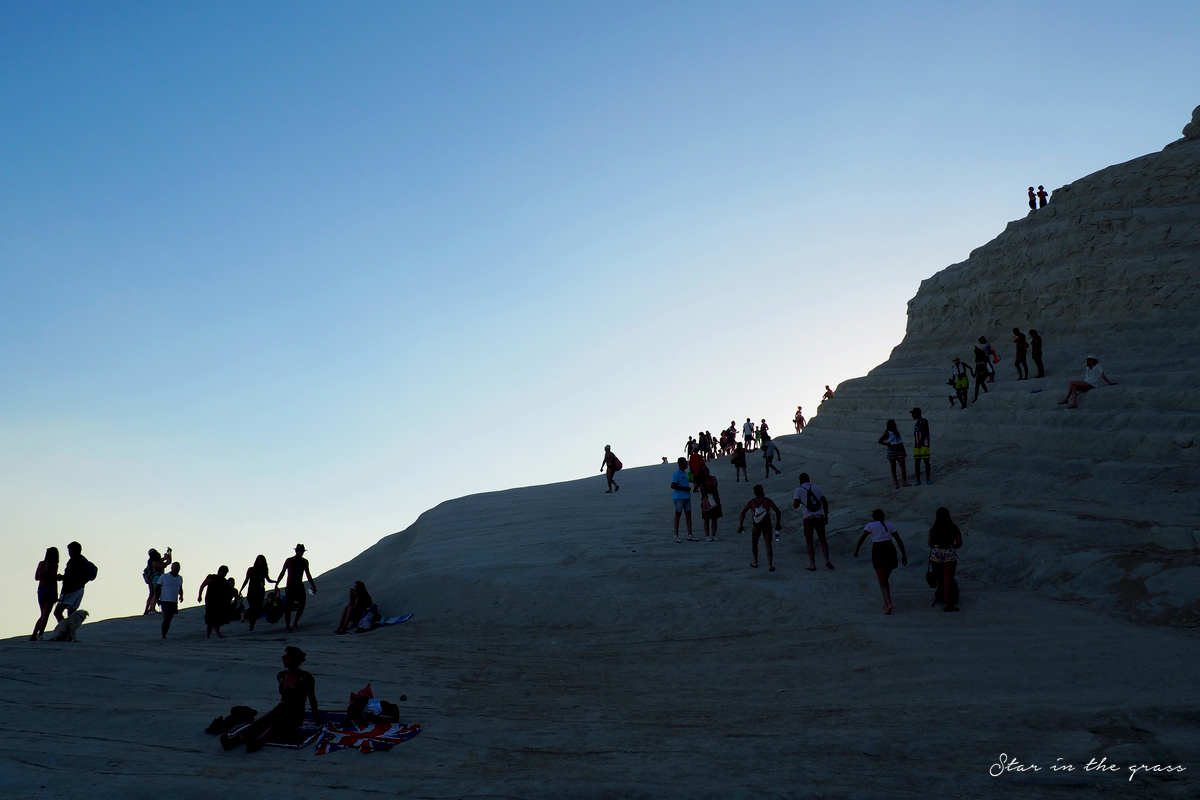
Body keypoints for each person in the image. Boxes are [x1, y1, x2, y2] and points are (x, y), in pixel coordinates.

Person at [221, 646, 319, 753]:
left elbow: (312, 698)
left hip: (295, 713)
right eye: (283, 657)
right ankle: (231, 741)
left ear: (296, 660)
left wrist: (316, 719)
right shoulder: (281, 675)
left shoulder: (305, 677)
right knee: (258, 724)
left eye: (287, 657)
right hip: (280, 709)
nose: (284, 660)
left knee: (275, 725)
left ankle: (256, 742)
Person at [853, 509, 908, 615]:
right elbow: (899, 540)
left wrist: (856, 550)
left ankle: (888, 603)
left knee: (882, 581)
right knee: (885, 579)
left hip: (879, 550)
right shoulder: (889, 525)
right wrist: (904, 555)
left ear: (873, 517)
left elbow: (862, 538)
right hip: (890, 549)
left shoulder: (871, 525)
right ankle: (886, 602)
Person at [792, 473, 833, 571]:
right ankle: (827, 559)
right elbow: (825, 502)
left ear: (800, 480)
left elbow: (796, 505)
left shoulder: (799, 490)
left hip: (808, 517)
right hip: (819, 516)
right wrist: (826, 516)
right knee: (823, 540)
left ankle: (812, 564)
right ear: (809, 479)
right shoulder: (817, 488)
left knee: (809, 541)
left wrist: (802, 503)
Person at [737, 484, 782, 571]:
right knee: (768, 545)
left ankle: (755, 562)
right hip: (766, 524)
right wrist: (778, 524)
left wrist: (741, 524)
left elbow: (743, 512)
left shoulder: (751, 502)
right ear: (762, 491)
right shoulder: (767, 500)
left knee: (754, 543)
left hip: (756, 525)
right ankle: (770, 565)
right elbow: (777, 511)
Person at [928, 507, 963, 612]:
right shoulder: (954, 528)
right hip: (949, 552)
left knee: (939, 577)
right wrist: (953, 547)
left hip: (936, 552)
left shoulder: (934, 528)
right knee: (948, 580)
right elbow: (960, 543)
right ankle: (947, 604)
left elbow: (930, 543)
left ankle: (940, 595)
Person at [275, 545, 317, 633]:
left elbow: (308, 574)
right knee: (289, 606)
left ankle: (295, 623)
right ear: (296, 551)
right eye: (299, 551)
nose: (300, 553)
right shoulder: (289, 560)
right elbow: (282, 572)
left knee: (302, 604)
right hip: (290, 585)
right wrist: (277, 583)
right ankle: (287, 626)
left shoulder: (304, 562)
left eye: (301, 551)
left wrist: (313, 585)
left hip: (299, 585)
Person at [54, 542, 93, 622]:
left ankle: (66, 630)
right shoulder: (83, 560)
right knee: (71, 612)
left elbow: (71, 574)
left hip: (70, 589)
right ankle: (70, 631)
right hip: (80, 588)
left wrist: (61, 577)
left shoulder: (74, 560)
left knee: (58, 612)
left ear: (72, 550)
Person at [31, 547, 61, 641]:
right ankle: (40, 634)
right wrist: (56, 593)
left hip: (40, 589)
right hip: (49, 589)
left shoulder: (41, 564)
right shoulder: (54, 565)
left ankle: (34, 634)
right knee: (46, 614)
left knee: (43, 613)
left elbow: (36, 577)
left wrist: (44, 575)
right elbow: (53, 580)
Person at [198, 565, 231, 639]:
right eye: (223, 572)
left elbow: (226, 593)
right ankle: (217, 634)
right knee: (212, 618)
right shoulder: (211, 577)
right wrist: (199, 595)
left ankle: (208, 635)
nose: (224, 574)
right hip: (210, 600)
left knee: (216, 619)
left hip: (219, 602)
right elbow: (202, 585)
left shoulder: (224, 581)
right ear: (220, 571)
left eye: (225, 573)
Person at [239, 555, 270, 632]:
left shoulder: (263, 570)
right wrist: (241, 589)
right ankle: (251, 627)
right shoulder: (251, 570)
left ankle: (251, 625)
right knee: (253, 609)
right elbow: (246, 580)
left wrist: (276, 582)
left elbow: (268, 579)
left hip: (260, 591)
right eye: (260, 561)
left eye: (262, 562)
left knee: (256, 610)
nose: (261, 563)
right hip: (251, 592)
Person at [878, 419, 910, 488]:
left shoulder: (896, 432)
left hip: (899, 449)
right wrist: (888, 444)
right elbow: (880, 440)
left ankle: (904, 482)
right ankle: (896, 483)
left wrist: (903, 451)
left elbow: (900, 441)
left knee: (902, 466)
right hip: (892, 450)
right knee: (893, 467)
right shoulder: (887, 433)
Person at [670, 457, 694, 543]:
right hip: (679, 497)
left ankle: (690, 534)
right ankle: (676, 535)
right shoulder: (677, 473)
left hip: (686, 497)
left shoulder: (684, 473)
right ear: (683, 464)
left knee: (688, 515)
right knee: (678, 515)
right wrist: (684, 488)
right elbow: (673, 485)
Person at [158, 561, 184, 639]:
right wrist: (157, 598)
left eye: (178, 569)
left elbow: (180, 587)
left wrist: (181, 595)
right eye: (175, 569)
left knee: (169, 618)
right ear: (172, 568)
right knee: (166, 617)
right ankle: (163, 635)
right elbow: (157, 587)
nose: (176, 570)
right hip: (165, 599)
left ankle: (165, 633)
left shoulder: (180, 578)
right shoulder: (164, 576)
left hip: (173, 600)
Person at [142, 548, 172, 615]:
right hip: (156, 579)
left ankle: (148, 609)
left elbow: (167, 562)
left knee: (152, 594)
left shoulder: (153, 562)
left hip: (152, 580)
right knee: (156, 593)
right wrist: (168, 558)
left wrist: (169, 555)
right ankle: (151, 609)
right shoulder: (154, 563)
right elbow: (165, 564)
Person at [699, 468, 722, 542]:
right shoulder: (701, 481)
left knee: (714, 518)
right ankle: (707, 535)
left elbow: (714, 488)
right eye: (704, 471)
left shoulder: (713, 478)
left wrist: (707, 489)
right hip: (706, 499)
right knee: (706, 519)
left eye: (707, 470)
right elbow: (703, 489)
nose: (706, 472)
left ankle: (714, 535)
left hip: (714, 499)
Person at [910, 408, 931, 485]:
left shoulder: (923, 421)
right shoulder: (917, 422)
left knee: (926, 461)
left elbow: (925, 431)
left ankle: (927, 479)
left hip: (923, 444)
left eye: (913, 414)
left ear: (916, 413)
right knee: (917, 462)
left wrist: (921, 440)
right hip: (917, 445)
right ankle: (918, 479)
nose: (912, 415)